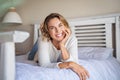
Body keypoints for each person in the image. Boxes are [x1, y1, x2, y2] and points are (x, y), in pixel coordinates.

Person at [38, 13, 89, 80]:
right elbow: (44, 65)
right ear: (48, 31)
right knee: (35, 57)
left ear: (65, 26)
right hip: (37, 56)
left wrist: (62, 45)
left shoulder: (72, 39)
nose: (58, 31)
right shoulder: (43, 39)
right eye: (52, 28)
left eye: (60, 25)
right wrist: (69, 64)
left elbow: (75, 63)